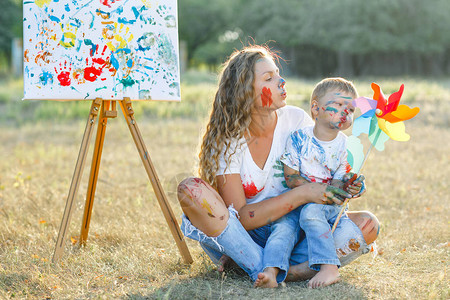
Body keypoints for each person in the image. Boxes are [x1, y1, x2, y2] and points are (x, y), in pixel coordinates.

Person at [177, 45, 379, 288]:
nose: (281, 81)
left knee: (368, 225)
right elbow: (242, 218)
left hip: (298, 230)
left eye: (278, 74)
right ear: (244, 92)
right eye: (269, 78)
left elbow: (324, 178)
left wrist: (344, 186)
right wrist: (303, 192)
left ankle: (269, 268)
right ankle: (265, 264)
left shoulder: (297, 121)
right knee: (191, 190)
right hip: (249, 235)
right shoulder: (228, 140)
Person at [280, 77, 366, 288]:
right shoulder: (298, 138)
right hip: (298, 203)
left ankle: (329, 268)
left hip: (328, 209)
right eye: (338, 104)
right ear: (316, 109)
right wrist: (313, 191)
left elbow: (338, 186)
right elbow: (291, 178)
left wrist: (352, 186)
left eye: (351, 109)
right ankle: (284, 268)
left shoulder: (347, 147)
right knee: (283, 228)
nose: (346, 111)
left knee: (312, 212)